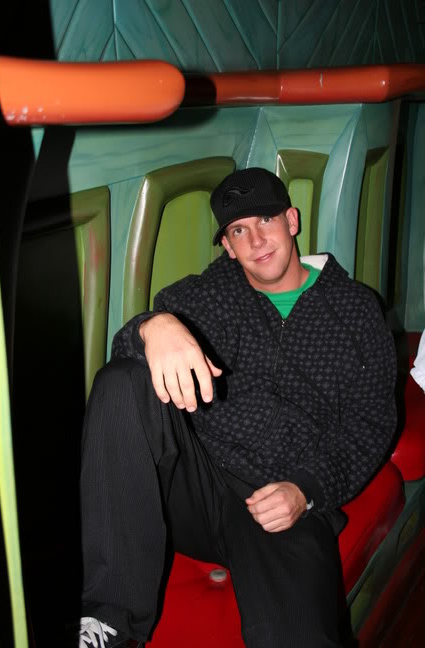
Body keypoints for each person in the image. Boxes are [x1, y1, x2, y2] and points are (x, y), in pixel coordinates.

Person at [76, 168, 397, 648]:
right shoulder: (210, 294)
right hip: (194, 483)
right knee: (123, 380)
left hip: (280, 497)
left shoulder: (355, 309)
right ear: (227, 246)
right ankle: (108, 621)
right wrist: (150, 326)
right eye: (239, 230)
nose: (256, 240)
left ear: (291, 220)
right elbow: (137, 355)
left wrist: (306, 489)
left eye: (266, 219)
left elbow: (370, 422)